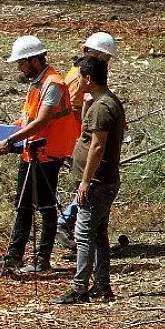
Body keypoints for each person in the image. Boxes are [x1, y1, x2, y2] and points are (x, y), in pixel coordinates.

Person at [0, 35, 81, 274]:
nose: (19, 67)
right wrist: (15, 126)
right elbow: (31, 118)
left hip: (47, 154)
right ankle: (17, 256)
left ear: (34, 60)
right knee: (24, 204)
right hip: (33, 152)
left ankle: (40, 259)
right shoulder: (39, 83)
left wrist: (10, 139)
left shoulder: (53, 84)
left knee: (45, 206)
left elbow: (41, 122)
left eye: (21, 62)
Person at [53, 56, 125, 304]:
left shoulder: (102, 107)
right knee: (98, 233)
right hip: (102, 180)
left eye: (80, 76)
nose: (76, 80)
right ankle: (102, 285)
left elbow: (96, 146)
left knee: (83, 233)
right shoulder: (101, 103)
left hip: (96, 182)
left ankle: (80, 287)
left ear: (88, 78)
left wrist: (85, 180)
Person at [57, 32, 117, 251]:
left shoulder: (86, 77)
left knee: (89, 188)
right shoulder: (78, 78)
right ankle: (66, 223)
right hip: (80, 141)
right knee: (89, 186)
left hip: (85, 139)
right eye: (104, 58)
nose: (106, 64)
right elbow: (73, 113)